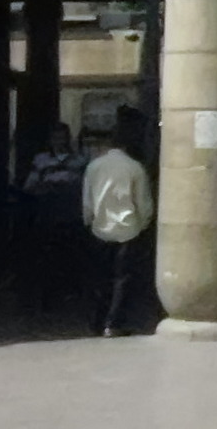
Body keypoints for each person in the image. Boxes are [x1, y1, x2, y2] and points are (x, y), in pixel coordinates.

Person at [82, 111, 153, 337]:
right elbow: (143, 202)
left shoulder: (94, 166)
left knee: (100, 278)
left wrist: (88, 221)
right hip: (128, 229)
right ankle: (114, 323)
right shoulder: (135, 167)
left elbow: (87, 201)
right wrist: (143, 224)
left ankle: (96, 320)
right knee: (122, 280)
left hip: (99, 229)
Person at [22, 122, 87, 313]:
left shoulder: (80, 161)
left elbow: (86, 187)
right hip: (48, 216)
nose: (59, 141)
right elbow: (29, 187)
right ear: (50, 140)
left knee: (71, 256)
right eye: (56, 138)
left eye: (62, 137)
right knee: (47, 258)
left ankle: (71, 293)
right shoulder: (41, 160)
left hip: (71, 216)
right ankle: (47, 298)